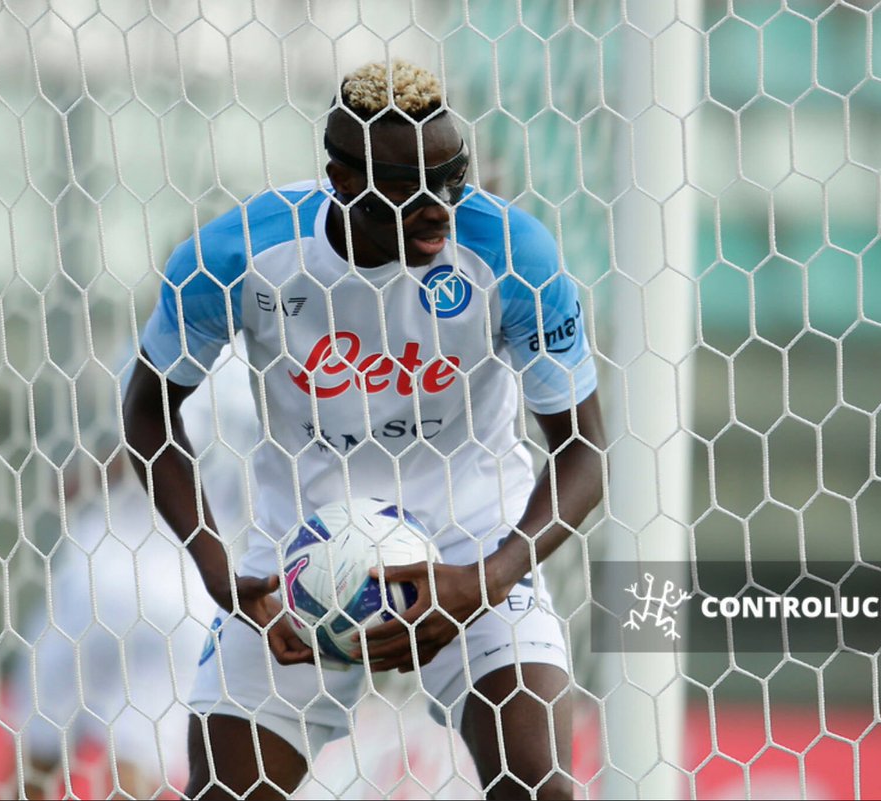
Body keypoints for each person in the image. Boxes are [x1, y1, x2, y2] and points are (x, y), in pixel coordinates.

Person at [122, 59, 606, 800]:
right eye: (414, 192)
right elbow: (148, 413)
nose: (441, 210)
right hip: (302, 560)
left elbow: (584, 449)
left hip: (472, 542)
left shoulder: (513, 252)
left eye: (455, 181)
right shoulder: (238, 255)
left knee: (540, 786)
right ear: (342, 181)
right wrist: (220, 571)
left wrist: (487, 577)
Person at [12, 350, 254, 799]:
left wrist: (75, 481)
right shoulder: (271, 363)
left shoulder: (171, 339)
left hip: (105, 573)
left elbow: (148, 444)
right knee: (137, 760)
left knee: (41, 749)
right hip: (192, 590)